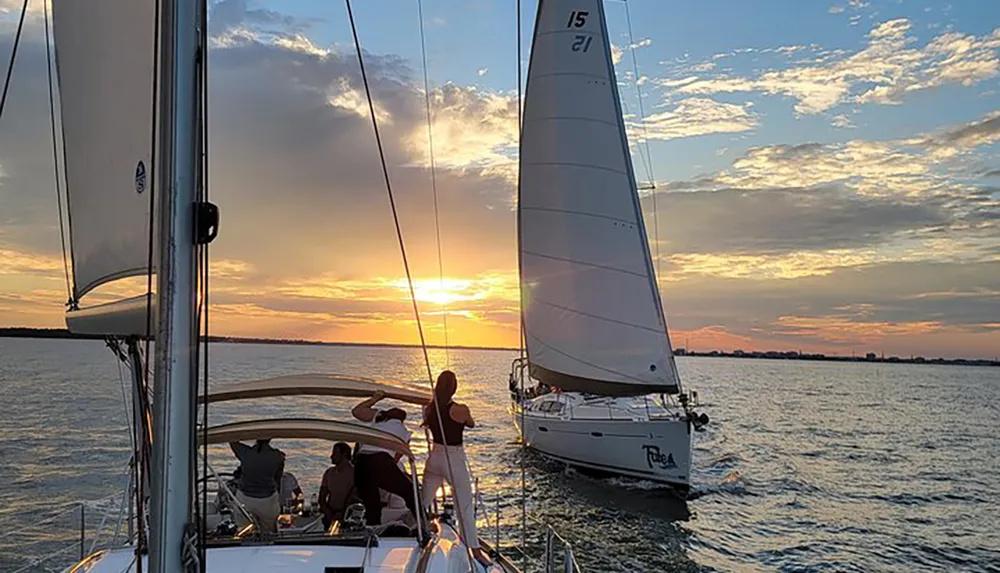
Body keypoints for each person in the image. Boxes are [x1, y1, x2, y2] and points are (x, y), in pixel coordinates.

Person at [421, 370, 491, 567]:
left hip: (434, 457)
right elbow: (471, 424)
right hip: (453, 458)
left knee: (423, 500)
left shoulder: (429, 409)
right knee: (465, 506)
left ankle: (414, 530)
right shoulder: (460, 409)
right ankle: (475, 551)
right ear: (454, 387)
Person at [351, 392, 420, 526]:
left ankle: (372, 533)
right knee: (410, 492)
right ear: (402, 420)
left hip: (361, 463)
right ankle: (422, 523)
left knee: (373, 507)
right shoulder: (404, 432)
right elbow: (395, 459)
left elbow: (356, 411)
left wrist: (375, 399)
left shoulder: (379, 418)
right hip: (380, 461)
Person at [228, 438, 285, 533]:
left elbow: (232, 441)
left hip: (245, 499)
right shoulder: (278, 456)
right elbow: (277, 480)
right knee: (269, 532)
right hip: (267, 500)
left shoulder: (245, 453)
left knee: (243, 531)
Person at [319, 442, 359, 529]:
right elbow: (322, 497)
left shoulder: (356, 473)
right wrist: (327, 512)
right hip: (330, 514)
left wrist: (343, 513)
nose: (331, 456)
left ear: (344, 455)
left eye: (335, 453)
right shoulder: (329, 473)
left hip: (348, 517)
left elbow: (356, 497)